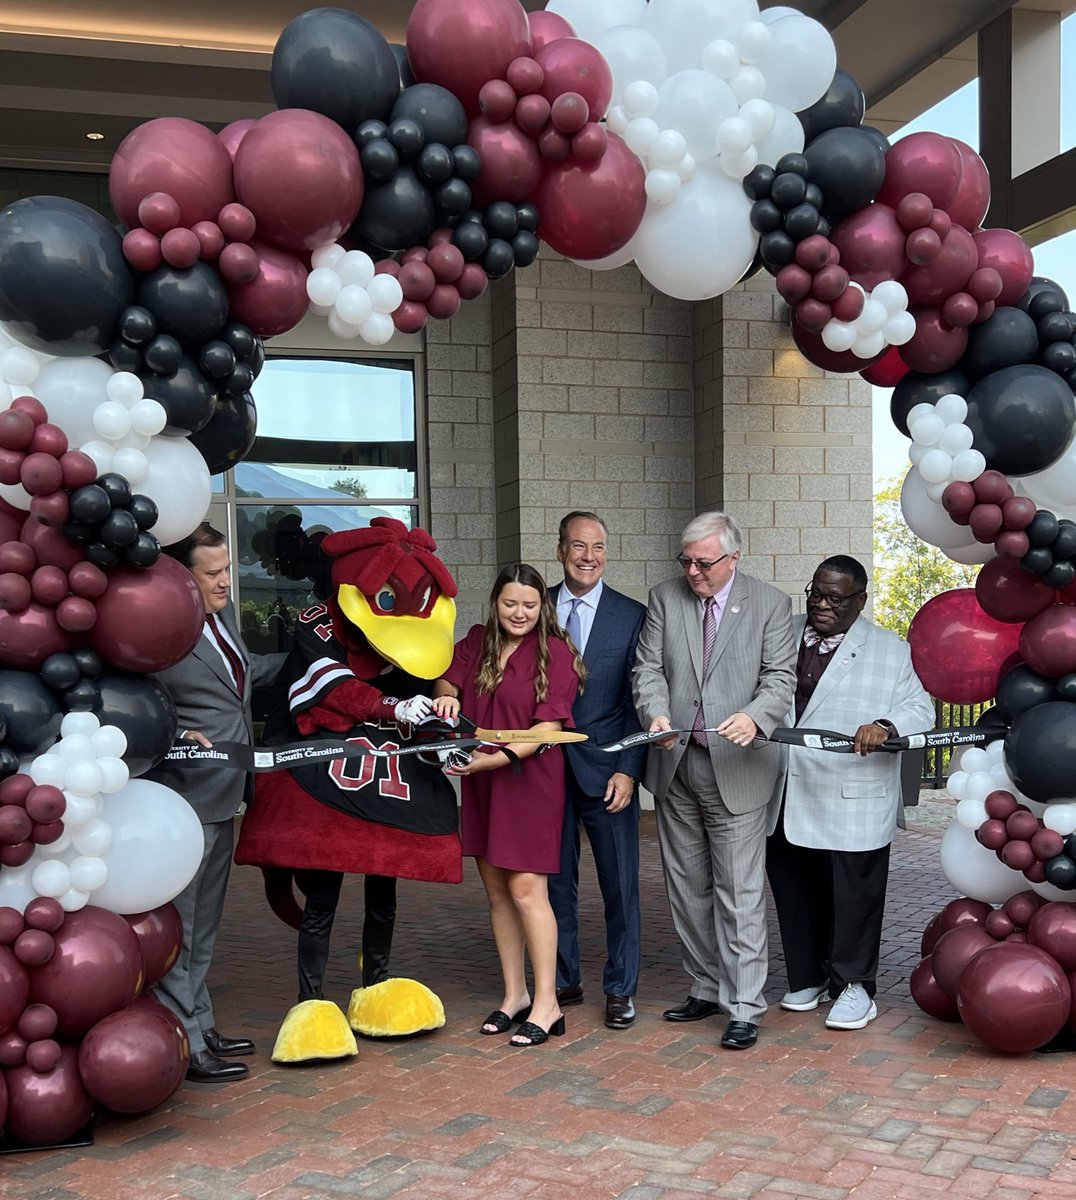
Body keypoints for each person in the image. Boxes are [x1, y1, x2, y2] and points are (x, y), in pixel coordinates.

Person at [632, 512, 795, 1051]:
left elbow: (779, 678)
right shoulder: (665, 598)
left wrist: (757, 716)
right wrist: (654, 712)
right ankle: (705, 984)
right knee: (686, 886)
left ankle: (745, 1004)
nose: (694, 572)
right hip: (676, 761)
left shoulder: (770, 604)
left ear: (734, 558)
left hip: (739, 767)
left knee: (739, 891)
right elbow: (647, 668)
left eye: (704, 562)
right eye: (687, 561)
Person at [766, 555, 933, 1030]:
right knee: (795, 889)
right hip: (783, 788)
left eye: (834, 598)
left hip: (852, 794)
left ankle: (854, 986)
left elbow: (920, 708)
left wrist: (886, 724)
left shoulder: (889, 649)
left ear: (859, 600)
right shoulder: (780, 632)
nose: (821, 604)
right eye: (815, 593)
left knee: (853, 897)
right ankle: (807, 978)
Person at [147, 522, 285, 1083]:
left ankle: (201, 1023)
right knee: (180, 926)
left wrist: (312, 658)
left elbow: (241, 684)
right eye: (213, 573)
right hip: (183, 797)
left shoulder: (224, 619)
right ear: (182, 577)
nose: (227, 581)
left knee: (205, 926)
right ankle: (186, 1042)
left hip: (227, 795)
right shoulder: (159, 632)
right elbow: (144, 705)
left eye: (227, 569)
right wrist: (177, 734)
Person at [432, 564, 585, 1047]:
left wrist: (486, 762)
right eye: (509, 603)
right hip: (482, 783)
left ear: (543, 608)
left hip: (527, 782)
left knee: (526, 892)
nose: (519, 613)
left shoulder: (556, 654)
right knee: (497, 892)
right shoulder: (477, 641)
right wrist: (448, 700)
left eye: (529, 605)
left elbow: (548, 733)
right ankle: (514, 995)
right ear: (495, 603)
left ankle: (548, 1003)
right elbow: (445, 680)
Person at [547, 511, 647, 1030]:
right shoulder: (533, 605)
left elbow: (640, 700)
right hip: (542, 772)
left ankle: (620, 988)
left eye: (599, 547)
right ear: (561, 550)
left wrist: (630, 768)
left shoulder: (632, 615)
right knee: (553, 883)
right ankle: (562, 978)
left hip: (609, 771)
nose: (589, 557)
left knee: (620, 886)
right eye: (579, 546)